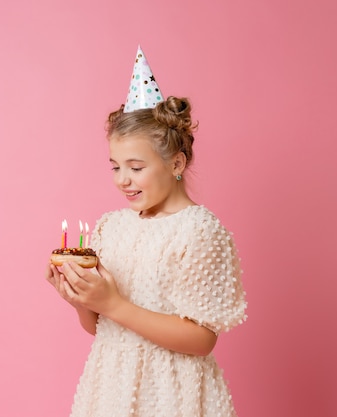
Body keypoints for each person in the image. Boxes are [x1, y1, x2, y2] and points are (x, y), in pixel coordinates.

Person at [45, 47, 247, 417]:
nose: (123, 180)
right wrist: (80, 299)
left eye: (136, 167)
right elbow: (102, 328)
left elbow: (202, 340)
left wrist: (112, 303)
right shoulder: (112, 227)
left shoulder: (198, 231)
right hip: (111, 388)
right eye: (115, 167)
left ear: (176, 163)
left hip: (172, 393)